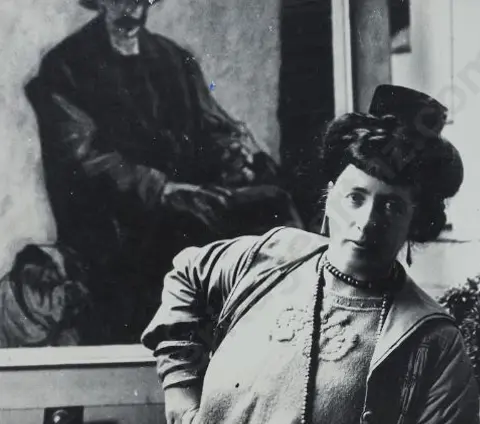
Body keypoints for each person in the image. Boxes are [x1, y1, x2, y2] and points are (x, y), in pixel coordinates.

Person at [108, 85, 480, 424]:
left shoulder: (429, 338)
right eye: (355, 197)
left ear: (416, 221)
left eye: (392, 206)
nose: (367, 221)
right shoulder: (273, 255)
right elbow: (188, 273)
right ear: (330, 196)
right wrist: (179, 383)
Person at [24, 0, 302, 344]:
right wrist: (161, 189)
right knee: (190, 241)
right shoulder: (66, 65)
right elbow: (84, 160)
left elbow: (212, 125)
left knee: (274, 205)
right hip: (116, 225)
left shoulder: (173, 59)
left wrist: (233, 153)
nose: (130, 8)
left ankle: (287, 337)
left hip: (185, 202)